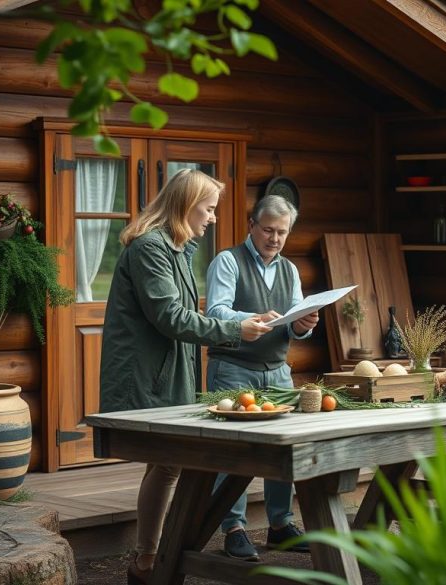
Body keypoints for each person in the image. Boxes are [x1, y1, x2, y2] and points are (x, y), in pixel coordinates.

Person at [98, 169, 272, 584]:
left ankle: (154, 557)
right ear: (185, 204)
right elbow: (171, 318)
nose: (212, 217)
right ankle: (149, 560)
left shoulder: (176, 247)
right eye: (208, 208)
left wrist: (244, 321)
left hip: (168, 373)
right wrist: (237, 329)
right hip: (146, 375)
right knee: (167, 463)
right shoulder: (150, 248)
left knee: (168, 464)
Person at [204, 194, 319, 561]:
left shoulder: (290, 270)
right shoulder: (228, 261)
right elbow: (218, 311)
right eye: (268, 229)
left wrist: (303, 326)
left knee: (282, 448)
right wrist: (259, 316)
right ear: (251, 224)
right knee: (233, 450)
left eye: (282, 232)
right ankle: (233, 528)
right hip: (233, 367)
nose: (274, 238)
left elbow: (296, 327)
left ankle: (280, 525)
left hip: (278, 370)